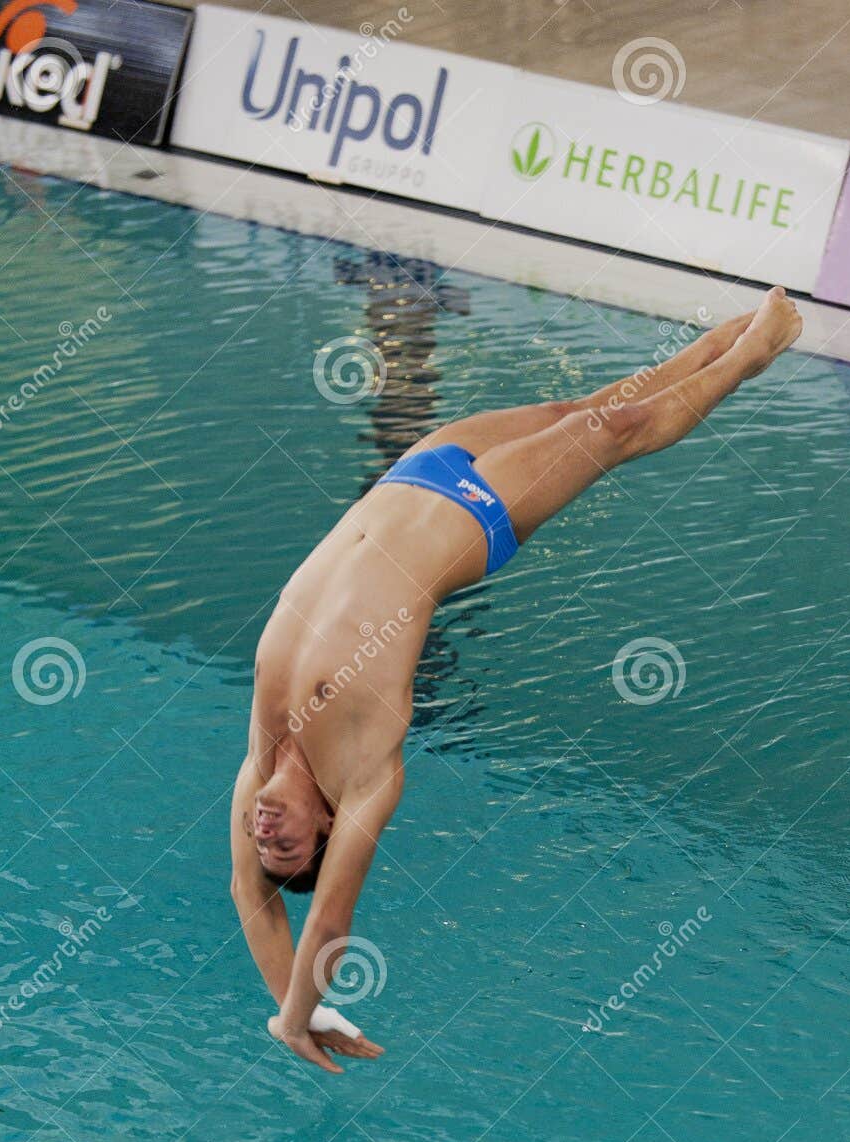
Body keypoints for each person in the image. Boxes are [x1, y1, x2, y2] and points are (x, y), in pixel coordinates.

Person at [230, 287, 803, 1071]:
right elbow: (326, 925)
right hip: (472, 519)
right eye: (287, 845)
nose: (265, 834)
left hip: (411, 472)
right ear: (326, 831)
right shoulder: (366, 774)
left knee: (587, 405)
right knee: (611, 429)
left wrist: (292, 1004)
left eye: (263, 842)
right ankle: (753, 355)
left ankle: (719, 341)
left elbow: (250, 900)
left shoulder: (262, 756)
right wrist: (298, 1019)